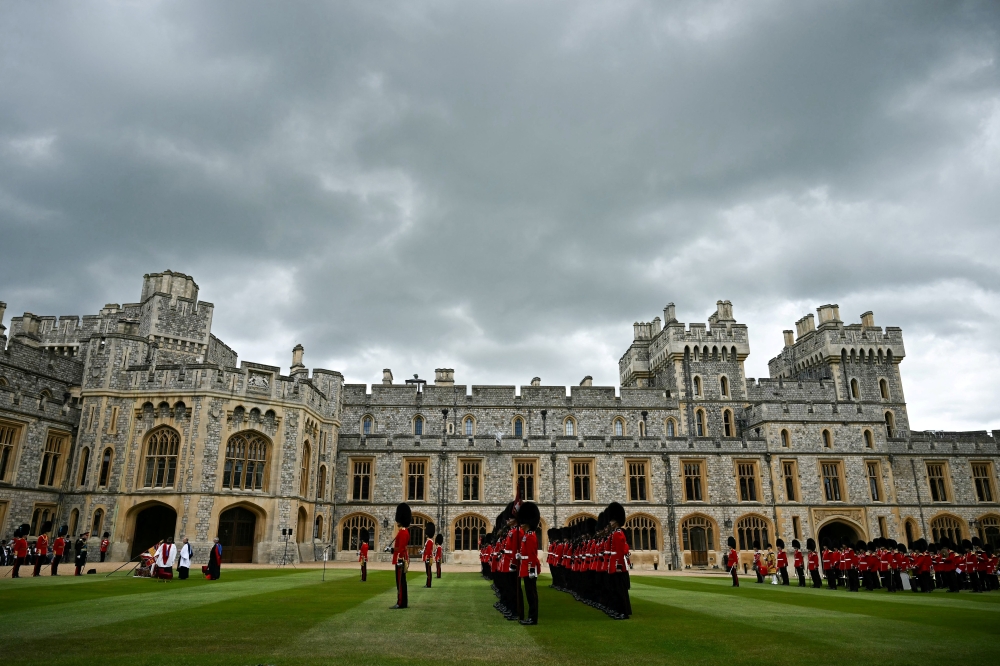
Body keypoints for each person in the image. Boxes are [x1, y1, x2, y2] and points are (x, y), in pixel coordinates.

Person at [516, 501, 541, 625]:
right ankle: (531, 617)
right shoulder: (527, 535)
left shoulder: (531, 536)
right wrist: (520, 556)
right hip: (525, 566)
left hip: (529, 568)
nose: (520, 524)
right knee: (529, 593)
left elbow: (532, 555)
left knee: (531, 594)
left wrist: (531, 570)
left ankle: (533, 618)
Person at [606, 501, 631, 620]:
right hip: (614, 564)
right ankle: (619, 610)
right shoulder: (615, 533)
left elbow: (620, 552)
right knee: (615, 589)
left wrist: (619, 566)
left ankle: (623, 612)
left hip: (618, 565)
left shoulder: (618, 534)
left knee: (620, 590)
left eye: (611, 521)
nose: (610, 523)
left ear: (616, 522)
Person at [391, 503, 411, 609]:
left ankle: (401, 602)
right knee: (401, 581)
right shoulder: (403, 531)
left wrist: (399, 559)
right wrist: (392, 549)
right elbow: (399, 547)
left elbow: (402, 548)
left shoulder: (403, 532)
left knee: (400, 582)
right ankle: (402, 602)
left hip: (400, 560)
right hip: (400, 558)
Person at [421, 521, 435, 588]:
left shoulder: (429, 541)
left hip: (428, 558)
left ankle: (428, 584)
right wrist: (422, 552)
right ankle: (427, 583)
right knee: (427, 571)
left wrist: (427, 558)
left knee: (428, 571)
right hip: (427, 557)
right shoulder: (428, 541)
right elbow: (426, 550)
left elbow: (429, 551)